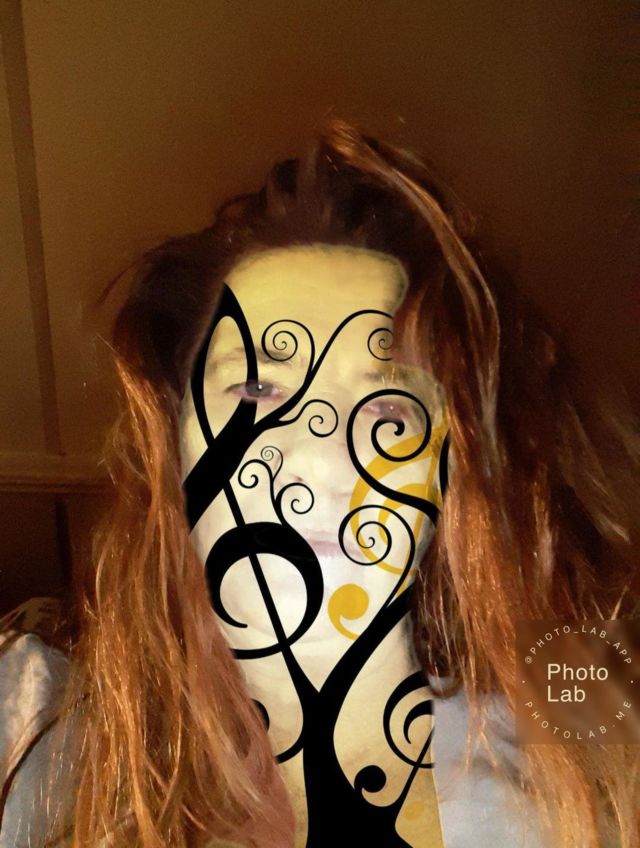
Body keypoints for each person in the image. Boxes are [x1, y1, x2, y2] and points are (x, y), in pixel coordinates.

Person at [1, 119, 638, 848]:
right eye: (257, 390)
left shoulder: (564, 754)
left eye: (389, 407)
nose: (321, 459)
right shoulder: (41, 741)